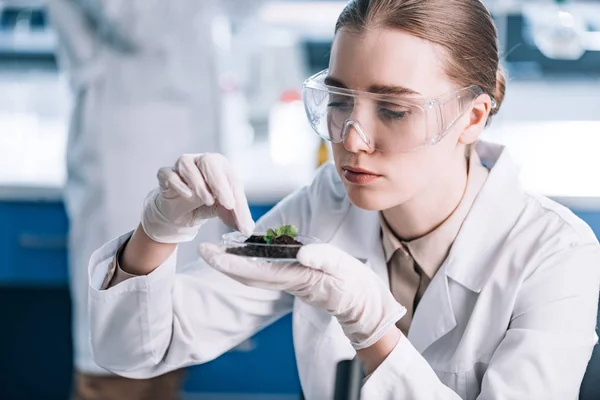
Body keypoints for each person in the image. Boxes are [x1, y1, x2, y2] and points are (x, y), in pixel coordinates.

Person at [87, 0, 600, 399]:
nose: (352, 139)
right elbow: (133, 352)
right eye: (338, 101)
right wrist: (157, 231)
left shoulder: (555, 254)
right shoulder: (326, 203)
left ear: (472, 117)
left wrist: (372, 330)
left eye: (394, 110)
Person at [46, 1, 257, 398]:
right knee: (116, 360)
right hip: (123, 150)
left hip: (185, 137)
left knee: (168, 349)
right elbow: (135, 21)